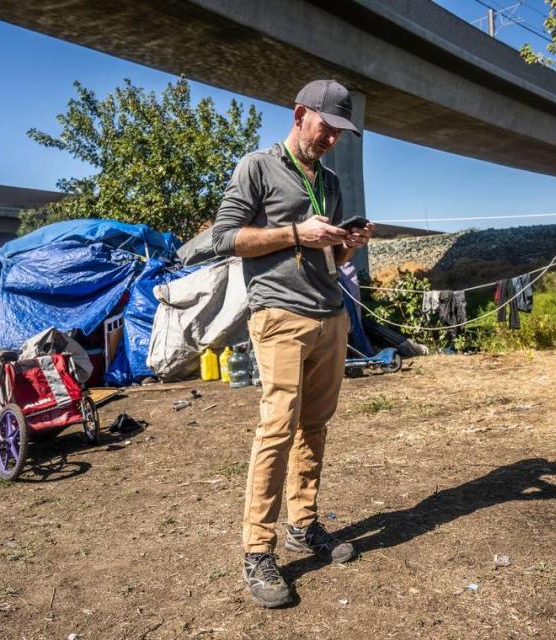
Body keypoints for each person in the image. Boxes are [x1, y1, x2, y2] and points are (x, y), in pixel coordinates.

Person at [211, 79, 376, 608]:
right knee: (277, 429)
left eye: (340, 133)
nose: (332, 139)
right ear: (300, 114)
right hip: (280, 315)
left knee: (315, 427)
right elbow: (226, 238)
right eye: (326, 127)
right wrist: (296, 233)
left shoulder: (329, 181)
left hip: (330, 316)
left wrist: (346, 246)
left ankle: (303, 526)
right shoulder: (256, 167)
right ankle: (256, 552)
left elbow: (333, 261)